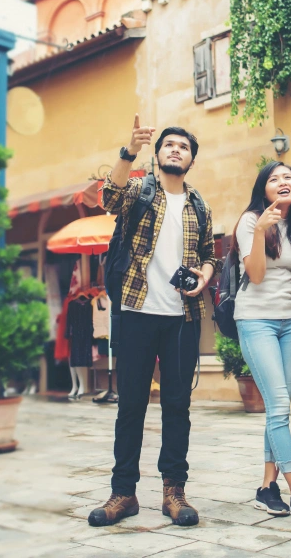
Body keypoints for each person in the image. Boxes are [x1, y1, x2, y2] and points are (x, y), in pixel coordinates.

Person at [88, 115, 217, 528]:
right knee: (131, 406)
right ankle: (123, 492)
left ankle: (174, 492)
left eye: (184, 146)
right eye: (169, 145)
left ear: (191, 159)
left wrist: (206, 275)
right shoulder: (140, 191)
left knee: (177, 407)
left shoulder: (200, 204)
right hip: (136, 312)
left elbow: (211, 253)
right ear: (159, 154)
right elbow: (109, 197)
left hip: (182, 317)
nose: (176, 149)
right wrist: (130, 150)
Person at [233, 162, 291, 525]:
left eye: (289, 178)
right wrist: (260, 232)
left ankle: (266, 488)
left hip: (290, 322)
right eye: (274, 179)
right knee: (278, 407)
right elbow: (254, 275)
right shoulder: (250, 222)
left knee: (278, 407)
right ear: (264, 188)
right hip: (256, 319)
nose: (283, 182)